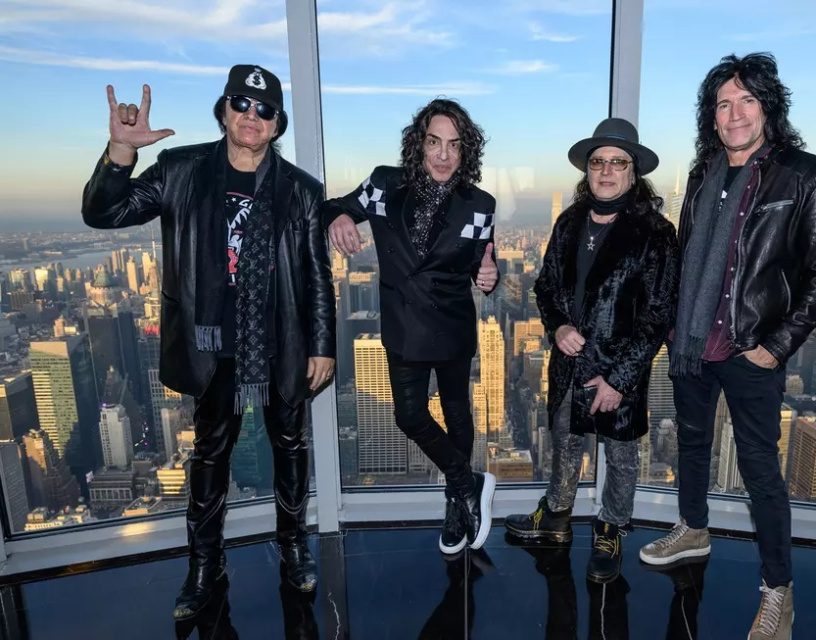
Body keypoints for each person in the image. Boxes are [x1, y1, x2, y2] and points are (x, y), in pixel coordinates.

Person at [81, 64, 336, 619]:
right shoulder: (181, 170)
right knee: (210, 453)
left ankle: (293, 546)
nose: (252, 116)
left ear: (277, 125)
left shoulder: (301, 191)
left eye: (265, 110)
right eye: (241, 104)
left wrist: (323, 345)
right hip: (210, 342)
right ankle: (204, 564)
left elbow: (317, 274)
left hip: (279, 341)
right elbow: (103, 212)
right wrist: (121, 152)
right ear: (223, 111)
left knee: (290, 448)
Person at [639, 52, 816, 640]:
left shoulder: (809, 176)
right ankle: (693, 528)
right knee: (692, 444)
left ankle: (779, 591)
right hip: (692, 342)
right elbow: (690, 256)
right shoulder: (703, 173)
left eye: (746, 100)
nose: (734, 114)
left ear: (768, 107)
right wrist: (677, 327)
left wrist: (775, 346)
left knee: (760, 470)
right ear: (712, 115)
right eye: (723, 103)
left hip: (751, 345)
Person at [504, 118, 680, 583]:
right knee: (564, 442)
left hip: (620, 369)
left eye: (617, 163)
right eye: (598, 161)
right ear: (587, 170)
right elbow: (546, 287)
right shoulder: (568, 223)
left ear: (634, 172)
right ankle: (556, 518)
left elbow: (659, 314)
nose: (606, 171)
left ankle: (610, 530)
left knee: (620, 457)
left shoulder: (655, 233)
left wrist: (619, 380)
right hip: (569, 363)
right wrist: (558, 326)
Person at [323, 99, 499, 554]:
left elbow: (484, 262)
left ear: (466, 151)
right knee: (409, 415)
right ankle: (467, 483)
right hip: (403, 325)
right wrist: (339, 216)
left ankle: (456, 506)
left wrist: (489, 274)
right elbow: (334, 206)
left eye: (454, 145)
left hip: (452, 323)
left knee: (457, 412)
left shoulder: (480, 204)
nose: (443, 155)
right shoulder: (385, 184)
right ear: (419, 144)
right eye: (434, 142)